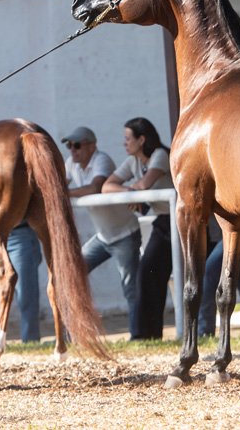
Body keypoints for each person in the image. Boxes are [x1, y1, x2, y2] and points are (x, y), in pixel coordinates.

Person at [61, 126, 143, 340]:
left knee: (130, 288)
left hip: (124, 233)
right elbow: (59, 182)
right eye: (70, 146)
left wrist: (63, 193)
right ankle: (72, 334)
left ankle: (138, 335)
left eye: (77, 145)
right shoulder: (71, 164)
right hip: (103, 236)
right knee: (74, 273)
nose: (73, 150)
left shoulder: (102, 160)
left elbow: (95, 188)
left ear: (91, 146)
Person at [103, 117, 173, 340]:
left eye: (127, 139)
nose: (124, 143)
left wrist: (134, 192)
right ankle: (146, 334)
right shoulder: (133, 161)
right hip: (162, 221)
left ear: (141, 140)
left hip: (178, 220)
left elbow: (145, 184)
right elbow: (106, 187)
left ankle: (147, 334)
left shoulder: (160, 155)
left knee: (151, 273)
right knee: (148, 273)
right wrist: (130, 193)